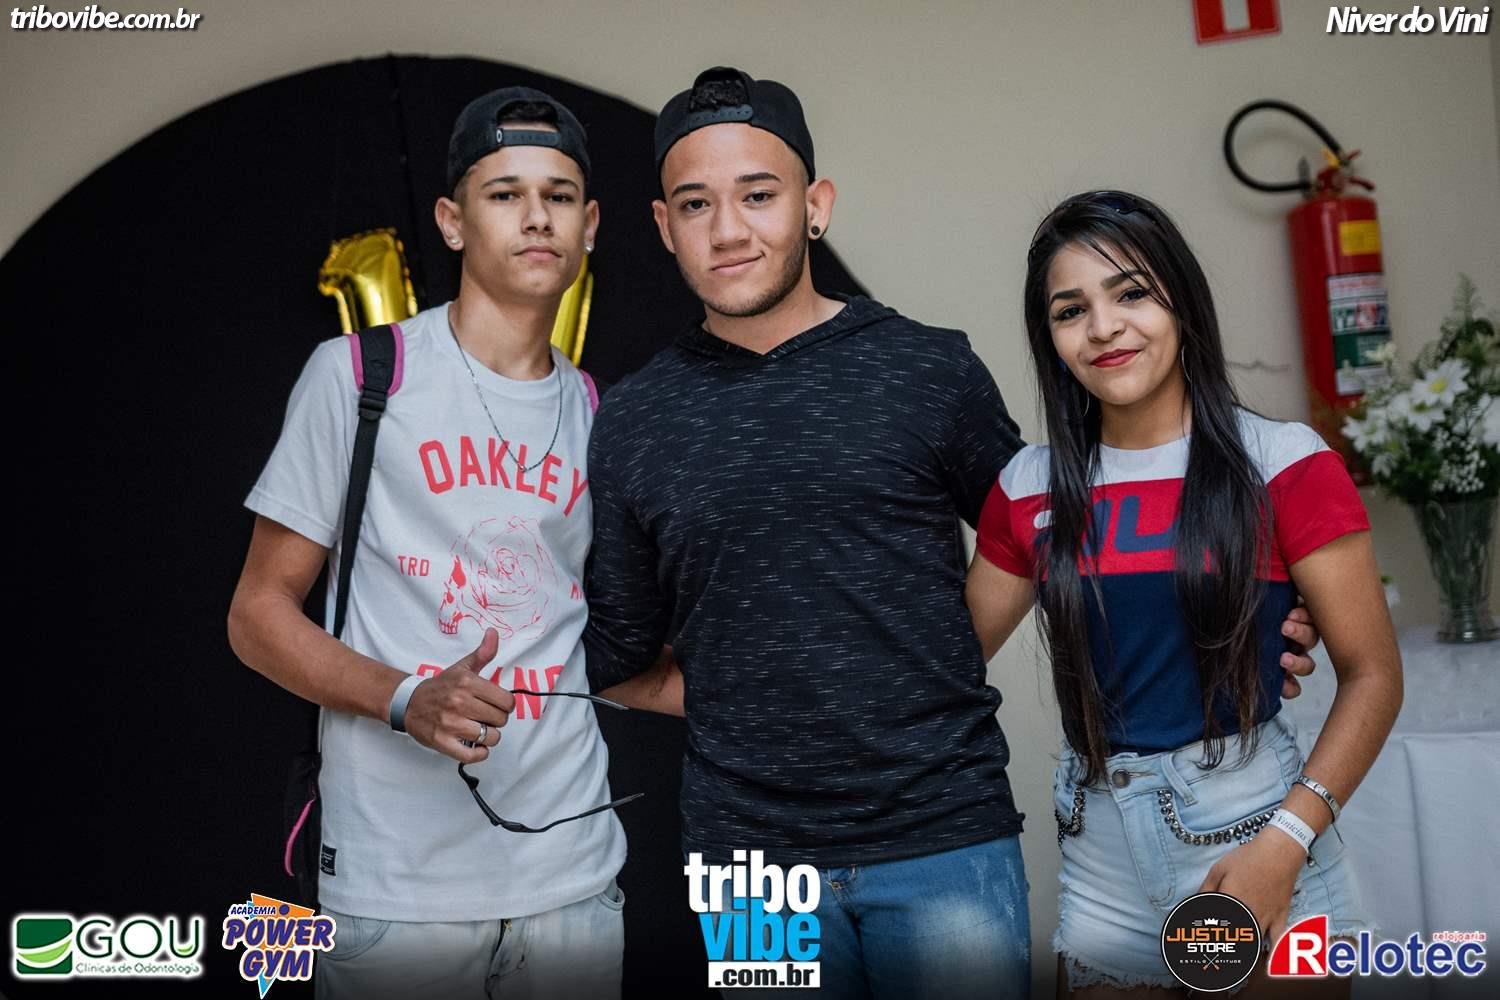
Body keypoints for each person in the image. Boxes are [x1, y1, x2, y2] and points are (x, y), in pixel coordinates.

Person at [582, 68, 1325, 999]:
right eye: (696, 204)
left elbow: (1066, 539)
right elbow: (617, 655)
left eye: (758, 195)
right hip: (747, 864)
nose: (728, 229)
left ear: (816, 206)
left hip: (943, 833)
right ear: (663, 226)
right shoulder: (634, 419)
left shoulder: (928, 370)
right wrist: (760, 695)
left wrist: (1250, 618)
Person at [227, 87, 634, 1000]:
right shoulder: (362, 376)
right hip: (397, 889)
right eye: (505, 193)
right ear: (452, 221)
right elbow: (256, 615)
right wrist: (406, 697)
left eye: (560, 195)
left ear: (591, 224)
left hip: (572, 877)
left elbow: (597, 636)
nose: (537, 216)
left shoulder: (596, 410)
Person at [965, 190, 1403, 997]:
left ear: (1182, 303)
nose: (1103, 327)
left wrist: (1288, 840)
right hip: (1099, 851)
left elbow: (1374, 674)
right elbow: (946, 662)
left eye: (1131, 293)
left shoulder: (1283, 462)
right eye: (1071, 310)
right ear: (1049, 337)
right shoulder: (1029, 486)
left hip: (1255, 830)